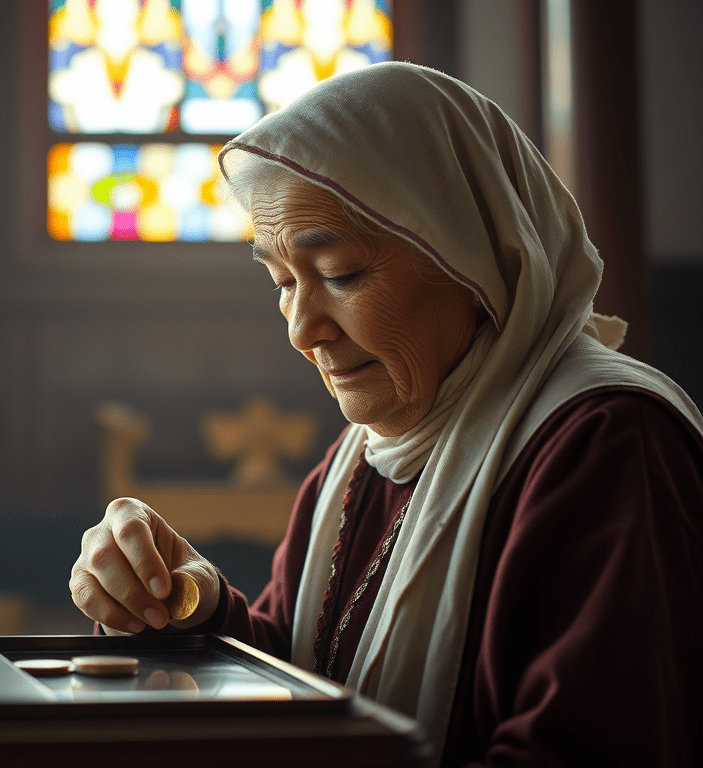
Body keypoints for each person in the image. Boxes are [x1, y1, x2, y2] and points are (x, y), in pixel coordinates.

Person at [69, 62, 703, 767]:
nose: (302, 330)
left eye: (339, 274)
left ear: (475, 259)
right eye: (282, 282)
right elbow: (303, 680)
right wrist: (183, 606)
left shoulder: (605, 443)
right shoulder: (354, 466)